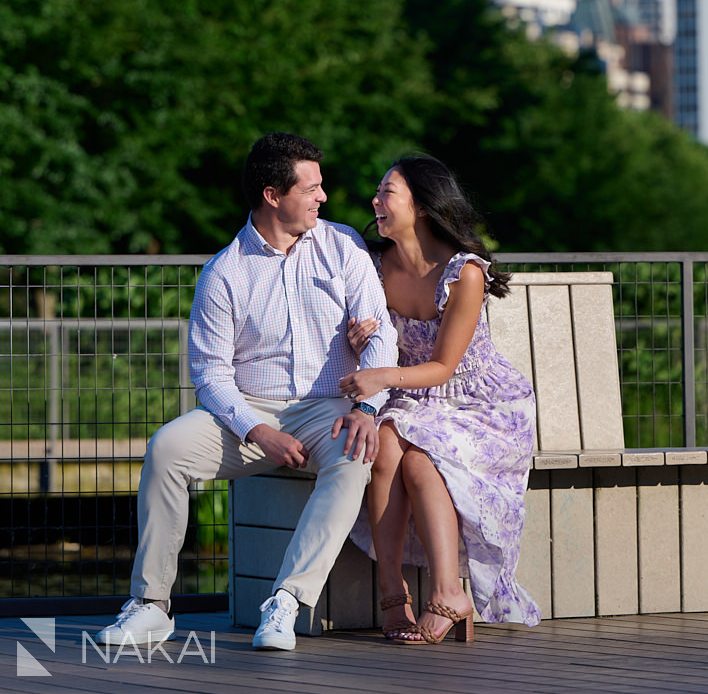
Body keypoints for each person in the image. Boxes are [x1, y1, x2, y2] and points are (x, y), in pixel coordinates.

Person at [98, 132, 397, 652]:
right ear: (272, 195)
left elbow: (380, 335)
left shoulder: (344, 245)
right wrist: (258, 430)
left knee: (355, 454)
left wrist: (367, 407)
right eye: (311, 188)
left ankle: (286, 601)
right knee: (166, 447)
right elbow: (211, 375)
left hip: (329, 406)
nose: (322, 197)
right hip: (249, 413)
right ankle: (151, 606)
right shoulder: (224, 272)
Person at [338, 155, 541, 644]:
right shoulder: (374, 266)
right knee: (384, 444)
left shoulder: (463, 273)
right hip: (415, 400)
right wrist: (359, 331)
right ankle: (394, 592)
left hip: (480, 405)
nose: (376, 201)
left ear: (422, 207)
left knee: (422, 460)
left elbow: (444, 368)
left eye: (388, 192)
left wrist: (381, 374)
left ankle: (450, 592)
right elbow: (365, 330)